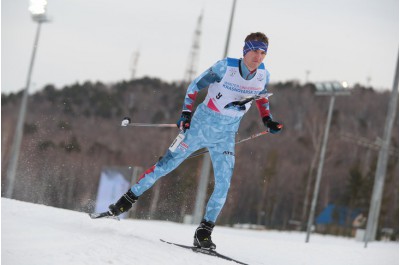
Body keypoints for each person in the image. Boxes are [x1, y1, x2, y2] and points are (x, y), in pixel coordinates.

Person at [108, 32, 282, 249]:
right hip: (200, 126)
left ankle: (204, 232)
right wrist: (186, 114)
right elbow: (194, 86)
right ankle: (125, 202)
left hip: (226, 135)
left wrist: (268, 120)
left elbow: (262, 98)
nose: (259, 56)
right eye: (255, 50)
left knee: (224, 183)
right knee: (166, 165)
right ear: (246, 50)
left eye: (263, 52)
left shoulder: (263, 75)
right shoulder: (224, 67)